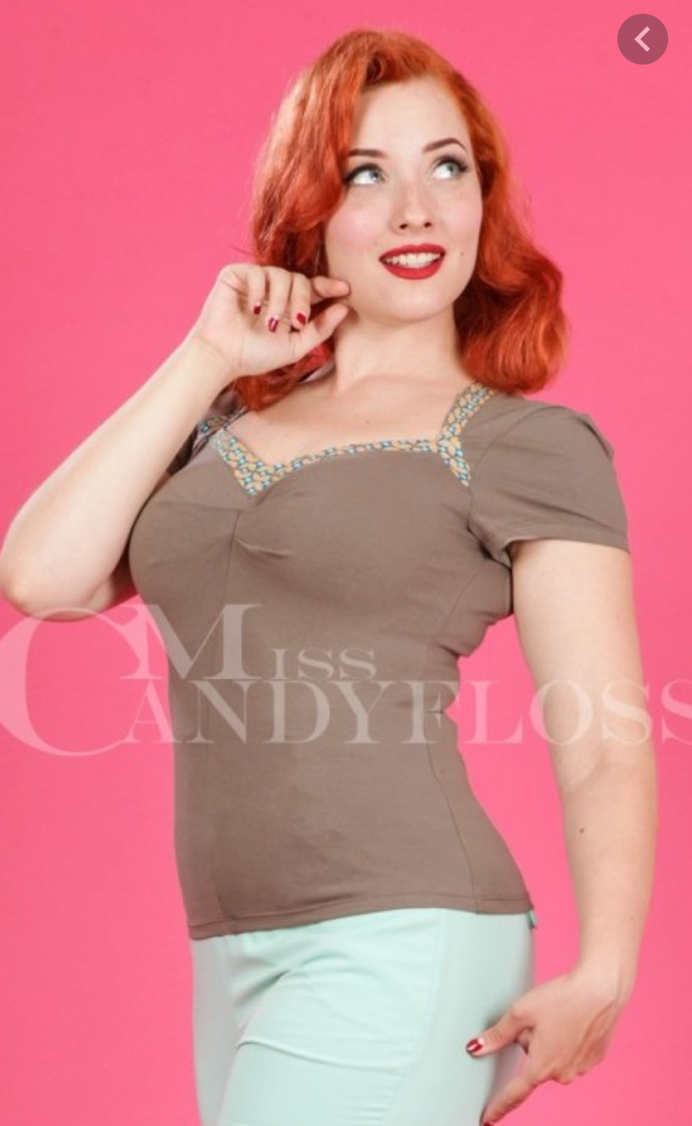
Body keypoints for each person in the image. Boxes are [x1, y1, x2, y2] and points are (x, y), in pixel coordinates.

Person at [0, 26, 657, 1126]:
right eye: (366, 174)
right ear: (309, 208)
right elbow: (41, 576)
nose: (415, 210)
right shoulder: (222, 418)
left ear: (482, 198)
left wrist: (607, 968)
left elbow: (600, 729)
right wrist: (209, 354)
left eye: (446, 167)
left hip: (404, 934)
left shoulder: (520, 446)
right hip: (229, 949)